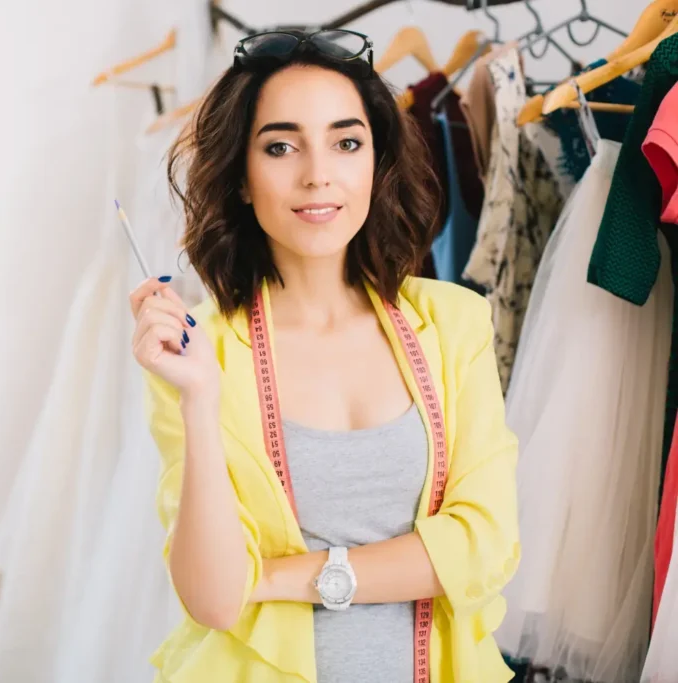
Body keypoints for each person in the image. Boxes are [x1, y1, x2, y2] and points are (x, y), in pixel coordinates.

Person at [128, 29, 520, 683]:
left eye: (346, 142)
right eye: (281, 146)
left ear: (375, 162)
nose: (318, 173)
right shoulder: (199, 352)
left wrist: (283, 576)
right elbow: (218, 597)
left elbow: (486, 545)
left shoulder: (454, 324)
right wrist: (199, 398)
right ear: (243, 179)